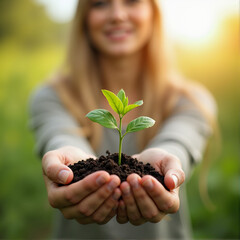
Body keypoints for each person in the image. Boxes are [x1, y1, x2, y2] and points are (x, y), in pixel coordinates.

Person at [29, 0, 217, 239]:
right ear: (84, 18)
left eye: (132, 1)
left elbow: (178, 141)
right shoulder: (52, 96)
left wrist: (169, 162)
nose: (117, 15)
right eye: (100, 3)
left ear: (153, 13)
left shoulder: (191, 99)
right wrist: (68, 162)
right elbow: (59, 135)